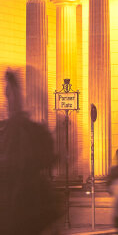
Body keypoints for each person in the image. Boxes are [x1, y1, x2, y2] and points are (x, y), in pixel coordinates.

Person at [0, 69, 60, 235]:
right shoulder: (15, 130)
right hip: (22, 210)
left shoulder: (26, 130)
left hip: (24, 210)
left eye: (11, 93)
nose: (9, 99)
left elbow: (47, 157)